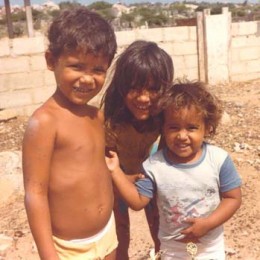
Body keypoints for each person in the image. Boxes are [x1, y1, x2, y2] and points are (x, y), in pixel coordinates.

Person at [106, 81, 242, 259]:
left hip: (210, 247)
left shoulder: (218, 159)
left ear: (207, 128)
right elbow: (138, 202)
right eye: (174, 127)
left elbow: (233, 198)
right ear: (162, 127)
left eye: (191, 128)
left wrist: (208, 224)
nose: (182, 136)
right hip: (172, 249)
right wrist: (115, 171)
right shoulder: (154, 166)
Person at [22, 7, 117, 260]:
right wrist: (48, 254)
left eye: (98, 70)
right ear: (51, 60)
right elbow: (35, 193)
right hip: (68, 249)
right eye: (77, 66)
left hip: (107, 234)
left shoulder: (96, 116)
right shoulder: (45, 122)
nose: (87, 79)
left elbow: (94, 170)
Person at [101, 40, 174, 259]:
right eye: (134, 88)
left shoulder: (166, 118)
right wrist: (126, 178)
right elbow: (103, 165)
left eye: (153, 89)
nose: (143, 98)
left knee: (159, 224)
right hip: (118, 180)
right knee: (118, 231)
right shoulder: (111, 121)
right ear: (121, 86)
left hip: (154, 179)